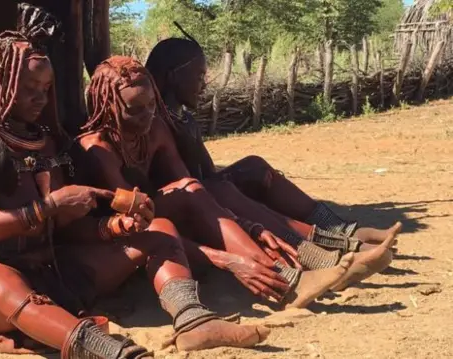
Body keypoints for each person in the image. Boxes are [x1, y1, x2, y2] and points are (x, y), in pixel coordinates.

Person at [0, 6, 272, 358]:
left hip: (54, 270)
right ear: (0, 85)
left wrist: (111, 228)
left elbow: (66, 228)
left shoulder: (48, 143)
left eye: (46, 88)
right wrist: (49, 206)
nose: (40, 98)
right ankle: (108, 351)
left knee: (158, 229)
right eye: (29, 87)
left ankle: (194, 320)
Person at [77, 56, 361, 309]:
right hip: (126, 236)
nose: (148, 114)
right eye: (134, 109)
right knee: (194, 190)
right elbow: (137, 227)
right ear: (108, 107)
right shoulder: (98, 150)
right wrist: (230, 261)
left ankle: (316, 253)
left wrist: (250, 226)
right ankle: (285, 277)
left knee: (207, 186)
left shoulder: (156, 129)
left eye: (152, 104)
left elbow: (191, 185)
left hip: (167, 214)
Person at [144, 31, 402, 247]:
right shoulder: (153, 123)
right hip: (186, 212)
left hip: (205, 195)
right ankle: (316, 243)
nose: (204, 85)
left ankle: (338, 227)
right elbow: (185, 184)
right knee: (223, 190)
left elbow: (207, 173)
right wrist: (222, 184)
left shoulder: (184, 120)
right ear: (173, 74)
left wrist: (241, 175)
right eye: (199, 77)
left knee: (254, 166)